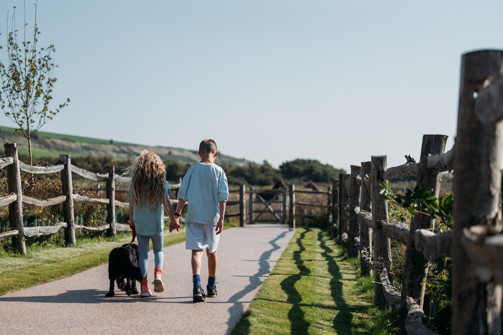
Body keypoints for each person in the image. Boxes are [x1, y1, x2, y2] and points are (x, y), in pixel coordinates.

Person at [174, 139, 228, 302]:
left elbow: (182, 194)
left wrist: (177, 215)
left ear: (199, 153)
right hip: (212, 218)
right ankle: (211, 286)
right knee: (212, 251)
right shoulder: (219, 171)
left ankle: (197, 286)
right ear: (216, 154)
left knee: (196, 252)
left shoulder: (192, 170)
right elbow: (223, 197)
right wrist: (222, 219)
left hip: (194, 217)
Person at [126, 150, 178, 297]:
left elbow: (131, 204)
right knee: (159, 251)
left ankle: (144, 286)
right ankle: (158, 276)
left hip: (141, 224)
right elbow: (167, 203)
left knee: (143, 255)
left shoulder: (135, 184)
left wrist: (131, 220)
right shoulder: (162, 184)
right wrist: (173, 220)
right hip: (156, 225)